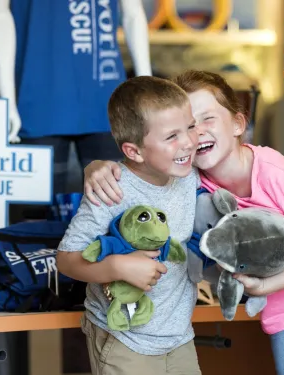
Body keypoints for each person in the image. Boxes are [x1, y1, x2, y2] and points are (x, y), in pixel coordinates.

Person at [81, 70, 284, 375]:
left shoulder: (275, 173)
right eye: (188, 125)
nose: (199, 131)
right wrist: (96, 166)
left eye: (208, 118)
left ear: (237, 124)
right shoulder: (191, 181)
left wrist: (265, 286)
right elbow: (140, 170)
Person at [56, 75, 202, 375]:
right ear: (133, 151)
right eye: (171, 136)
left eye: (190, 126)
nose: (188, 141)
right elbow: (65, 259)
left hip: (179, 338)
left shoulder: (191, 176)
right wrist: (116, 268)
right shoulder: (111, 189)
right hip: (124, 339)